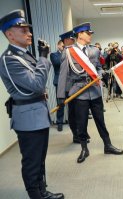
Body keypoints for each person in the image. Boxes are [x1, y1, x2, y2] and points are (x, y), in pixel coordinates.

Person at [0, 10, 64, 199]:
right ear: (9, 34)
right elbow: (36, 84)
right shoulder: (9, 59)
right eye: (23, 30)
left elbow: (37, 80)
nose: (29, 34)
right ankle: (36, 195)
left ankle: (42, 191)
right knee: (31, 161)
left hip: (38, 113)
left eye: (28, 29)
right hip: (27, 117)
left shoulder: (25, 55)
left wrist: (41, 59)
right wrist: (44, 57)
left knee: (40, 158)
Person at [57, 22, 123, 164]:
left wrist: (101, 74)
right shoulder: (69, 52)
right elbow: (63, 75)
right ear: (79, 34)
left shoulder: (94, 51)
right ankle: (84, 149)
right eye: (88, 33)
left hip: (94, 91)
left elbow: (98, 67)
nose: (90, 35)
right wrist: (61, 96)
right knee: (81, 123)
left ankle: (108, 145)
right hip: (79, 92)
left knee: (101, 120)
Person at [50, 40, 64, 131]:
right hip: (59, 81)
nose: (64, 48)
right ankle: (59, 123)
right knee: (60, 103)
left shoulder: (66, 54)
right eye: (62, 46)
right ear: (58, 45)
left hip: (68, 81)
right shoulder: (53, 55)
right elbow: (57, 63)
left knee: (72, 102)